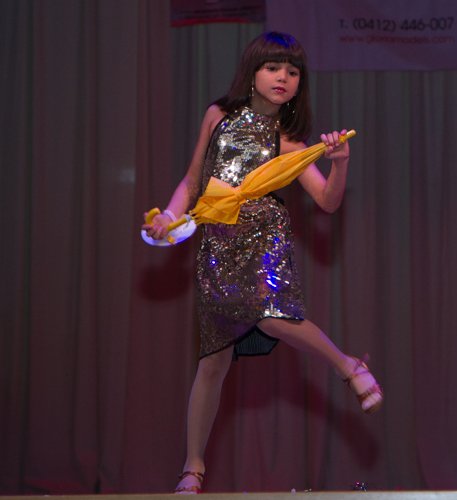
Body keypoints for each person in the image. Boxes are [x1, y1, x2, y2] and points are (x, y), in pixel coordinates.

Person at [142, 31, 383, 495]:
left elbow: (327, 202)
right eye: (273, 68)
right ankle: (193, 467)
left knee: (270, 315)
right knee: (214, 360)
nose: (283, 77)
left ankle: (347, 365)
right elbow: (192, 181)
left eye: (292, 72)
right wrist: (169, 219)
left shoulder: (290, 141)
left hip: (264, 236)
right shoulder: (217, 116)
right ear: (252, 72)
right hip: (218, 244)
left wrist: (340, 163)